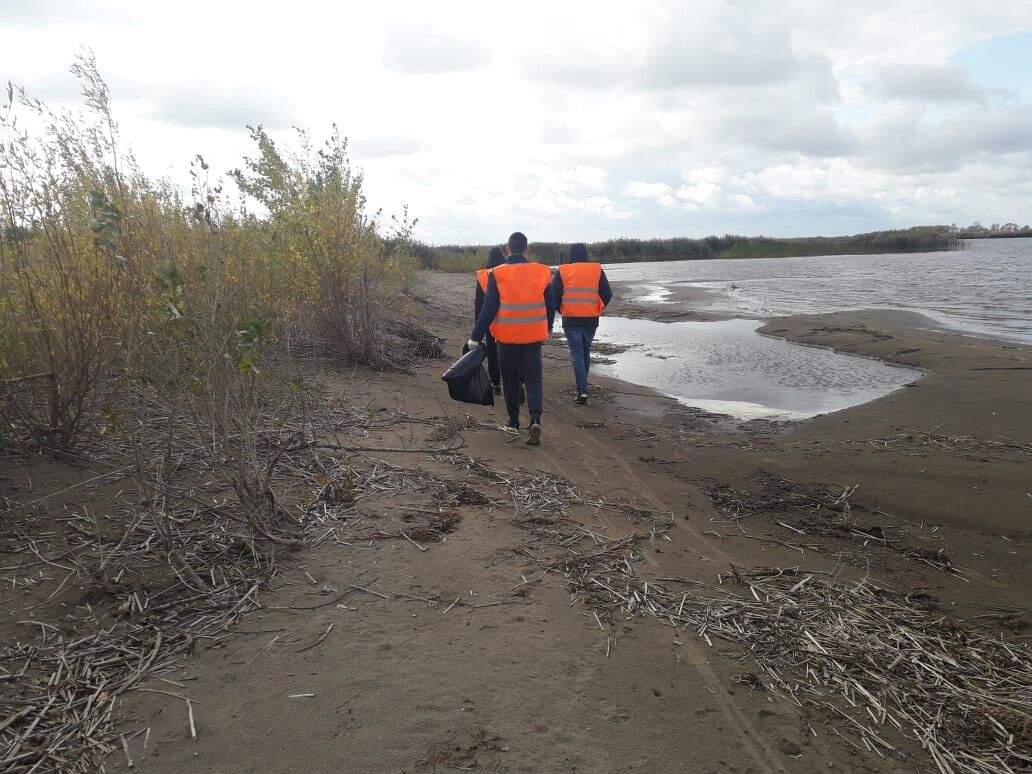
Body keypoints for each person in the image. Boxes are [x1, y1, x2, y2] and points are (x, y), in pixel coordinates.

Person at [469, 232, 555, 446]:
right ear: (526, 250)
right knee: (534, 379)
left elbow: (489, 309)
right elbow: (550, 305)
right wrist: (549, 327)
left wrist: (475, 336)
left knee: (510, 380)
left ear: (508, 250)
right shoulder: (541, 272)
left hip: (506, 337)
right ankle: (535, 419)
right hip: (534, 334)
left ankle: (514, 421)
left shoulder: (497, 274)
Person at [552, 242, 612, 404]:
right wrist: (598, 307)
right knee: (585, 350)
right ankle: (583, 387)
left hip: (571, 318)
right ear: (585, 254)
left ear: (571, 254)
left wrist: (561, 309)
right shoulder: (596, 269)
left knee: (577, 353)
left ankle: (582, 390)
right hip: (591, 318)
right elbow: (607, 293)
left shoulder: (563, 271)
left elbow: (554, 295)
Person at [474, 247, 505, 394]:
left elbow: (479, 303)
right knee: (508, 352)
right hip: (508, 320)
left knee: (493, 352)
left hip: (490, 321)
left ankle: (495, 383)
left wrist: (478, 326)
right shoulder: (508, 274)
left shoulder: (483, 276)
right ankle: (514, 383)